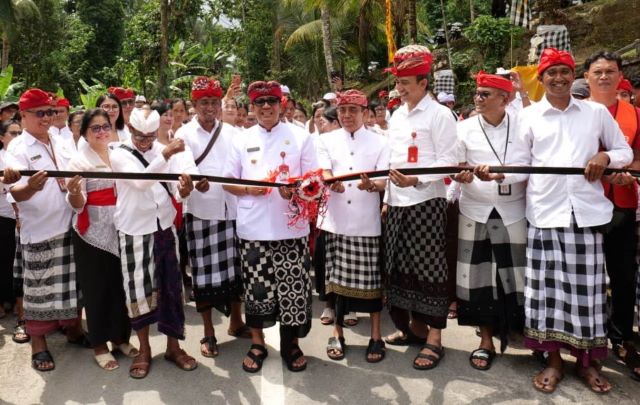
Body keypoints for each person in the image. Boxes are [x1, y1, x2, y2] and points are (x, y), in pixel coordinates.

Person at [521, 48, 632, 394]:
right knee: (548, 292)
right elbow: (516, 164)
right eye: (550, 73)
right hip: (545, 213)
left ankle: (588, 363)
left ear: (575, 77)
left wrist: (605, 155)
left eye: (564, 72)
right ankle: (554, 362)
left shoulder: (595, 113)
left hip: (585, 213)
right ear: (541, 79)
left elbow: (624, 152)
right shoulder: (528, 117)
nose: (558, 78)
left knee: (588, 293)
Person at [223, 80, 317, 373]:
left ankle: (290, 344)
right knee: (256, 289)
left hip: (291, 227)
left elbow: (314, 180)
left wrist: (298, 191)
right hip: (254, 227)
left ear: (282, 104)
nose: (266, 107)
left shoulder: (300, 137)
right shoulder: (240, 139)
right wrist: (249, 190)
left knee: (293, 288)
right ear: (251, 107)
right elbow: (227, 181)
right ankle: (257, 342)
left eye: (272, 102)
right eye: (260, 103)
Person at [110, 107, 201, 379]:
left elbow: (174, 188)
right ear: (130, 129)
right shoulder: (118, 152)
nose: (145, 142)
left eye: (150, 136)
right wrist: (165, 154)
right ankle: (145, 350)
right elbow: (141, 181)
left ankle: (174, 347)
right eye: (140, 136)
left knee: (171, 288)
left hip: (163, 226)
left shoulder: (164, 149)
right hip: (134, 228)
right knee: (139, 291)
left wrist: (183, 191)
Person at [383, 44, 458, 370]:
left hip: (426, 203)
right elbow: (392, 162)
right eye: (397, 81)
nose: (399, 88)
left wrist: (418, 181)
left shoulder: (440, 115)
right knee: (399, 270)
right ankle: (413, 328)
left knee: (430, 272)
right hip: (398, 204)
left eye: (406, 82)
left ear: (423, 83)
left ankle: (435, 340)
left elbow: (449, 163)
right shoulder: (396, 115)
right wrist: (387, 199)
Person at [452, 72, 529, 371]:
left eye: (485, 94)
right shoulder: (465, 128)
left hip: (512, 210)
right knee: (479, 278)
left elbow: (530, 167)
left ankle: (521, 334)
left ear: (505, 99)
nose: (478, 99)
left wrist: (501, 175)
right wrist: (462, 173)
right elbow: (456, 164)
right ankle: (484, 340)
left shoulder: (524, 125)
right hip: (475, 209)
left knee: (516, 277)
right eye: (477, 93)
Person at [5, 89, 85, 372]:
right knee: (39, 290)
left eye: (50, 111)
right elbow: (14, 191)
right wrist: (30, 186)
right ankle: (39, 345)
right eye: (40, 113)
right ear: (23, 116)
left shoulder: (62, 141)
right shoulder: (17, 149)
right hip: (39, 231)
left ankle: (74, 330)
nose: (47, 117)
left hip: (69, 224)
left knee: (72, 286)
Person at [175, 77, 247, 359]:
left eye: (214, 102)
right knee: (204, 275)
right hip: (202, 210)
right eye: (204, 102)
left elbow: (241, 164)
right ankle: (208, 331)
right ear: (194, 105)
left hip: (233, 209)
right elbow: (184, 165)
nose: (209, 107)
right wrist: (194, 180)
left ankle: (236, 321)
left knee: (236, 269)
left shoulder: (232, 132)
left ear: (220, 105)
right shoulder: (184, 133)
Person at [316, 90, 390, 363]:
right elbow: (323, 171)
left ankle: (375, 336)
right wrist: (330, 180)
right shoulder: (326, 139)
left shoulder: (381, 142)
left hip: (364, 220)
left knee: (372, 284)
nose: (347, 115)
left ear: (365, 113)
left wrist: (373, 185)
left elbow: (383, 180)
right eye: (343, 110)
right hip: (335, 220)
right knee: (335, 286)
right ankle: (337, 333)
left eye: (353, 110)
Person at [65, 108, 138, 371]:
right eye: (95, 128)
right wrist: (74, 193)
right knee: (96, 289)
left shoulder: (119, 153)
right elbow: (76, 202)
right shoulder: (77, 162)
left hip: (121, 227)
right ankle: (99, 344)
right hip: (91, 233)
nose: (102, 132)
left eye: (105, 126)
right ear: (84, 133)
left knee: (121, 286)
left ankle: (120, 337)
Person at [583, 50, 640, 382]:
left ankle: (620, 337)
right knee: (582, 274)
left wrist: (624, 170)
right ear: (587, 77)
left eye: (611, 71)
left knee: (621, 274)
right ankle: (582, 337)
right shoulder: (575, 112)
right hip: (583, 205)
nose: (604, 77)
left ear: (620, 77)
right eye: (598, 71)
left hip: (621, 202)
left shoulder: (634, 114)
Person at [0, 119, 20, 318]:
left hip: (24, 215)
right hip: (3, 215)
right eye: (12, 133)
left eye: (19, 133)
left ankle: (16, 301)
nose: (17, 137)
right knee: (4, 261)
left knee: (18, 261)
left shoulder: (22, 154)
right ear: (1, 137)